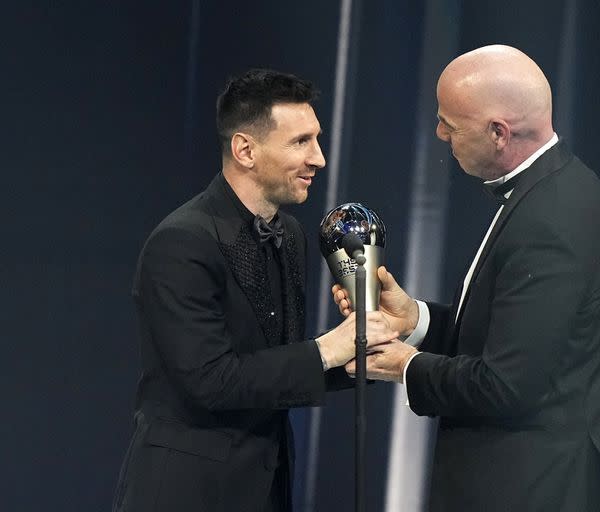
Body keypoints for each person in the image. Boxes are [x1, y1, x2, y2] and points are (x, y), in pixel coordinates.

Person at [336, 45, 600, 511]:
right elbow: (515, 339)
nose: (440, 133)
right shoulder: (553, 189)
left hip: (538, 488)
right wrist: (415, 320)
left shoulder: (551, 219)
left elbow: (506, 385)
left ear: (499, 133)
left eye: (450, 124)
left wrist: (404, 364)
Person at [112, 69, 398, 512]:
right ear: (245, 149)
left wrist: (366, 353)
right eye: (301, 142)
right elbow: (211, 381)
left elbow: (271, 370)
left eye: (317, 139)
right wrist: (328, 348)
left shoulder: (291, 235)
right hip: (187, 492)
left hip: (265, 487)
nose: (319, 158)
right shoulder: (182, 242)